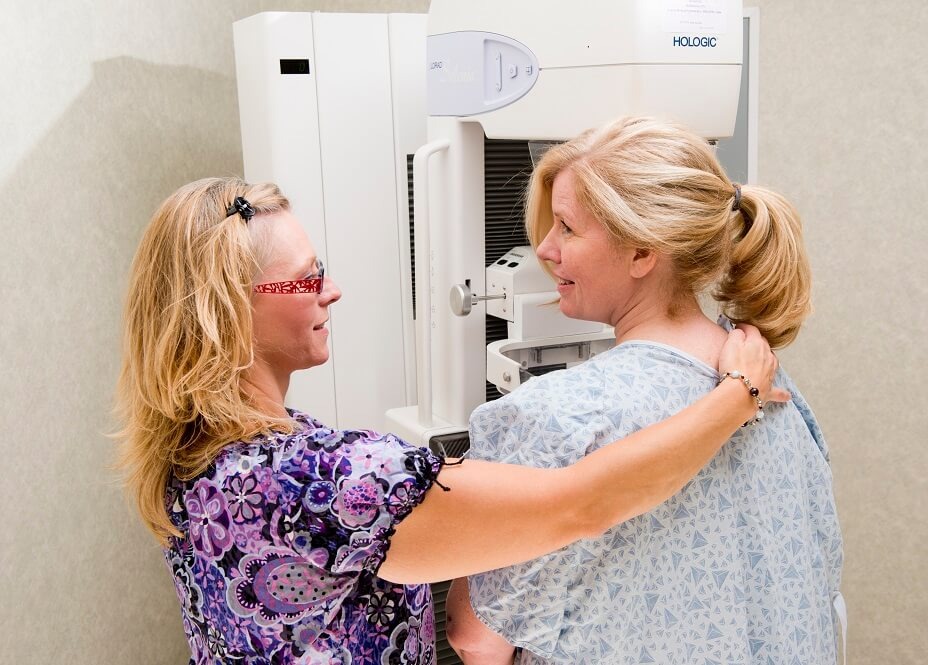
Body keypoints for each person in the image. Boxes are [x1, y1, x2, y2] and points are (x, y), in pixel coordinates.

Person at [115, 176, 785, 665]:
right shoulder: (322, 477)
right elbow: (582, 505)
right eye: (306, 277)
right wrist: (736, 393)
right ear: (229, 309)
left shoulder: (199, 451)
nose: (332, 289)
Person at [446, 116, 844, 664]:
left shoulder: (555, 418)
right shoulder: (776, 393)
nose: (543, 248)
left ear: (641, 252)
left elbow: (477, 636)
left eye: (566, 227)